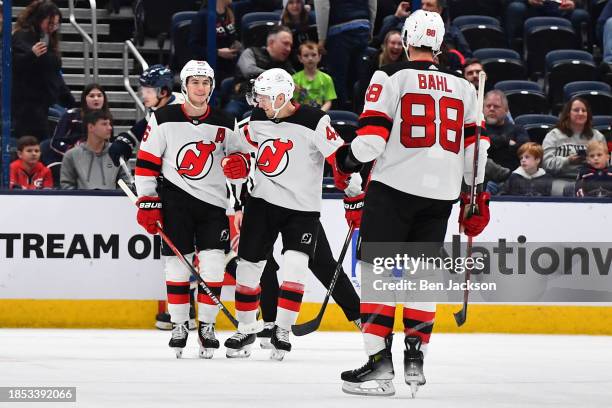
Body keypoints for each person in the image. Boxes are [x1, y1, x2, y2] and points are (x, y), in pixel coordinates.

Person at [334, 10, 490, 397]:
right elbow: (477, 152)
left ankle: (379, 366)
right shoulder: (464, 87)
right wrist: (476, 198)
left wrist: (344, 160)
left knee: (377, 275)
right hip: (441, 194)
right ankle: (416, 355)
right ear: (439, 44)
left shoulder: (390, 75)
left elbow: (370, 141)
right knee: (421, 276)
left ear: (406, 38)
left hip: (394, 190)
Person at [221, 68, 347, 360]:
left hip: (302, 209)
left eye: (264, 97)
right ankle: (246, 327)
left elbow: (340, 156)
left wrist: (352, 186)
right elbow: (238, 148)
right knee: (248, 268)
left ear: (281, 96)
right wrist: (237, 162)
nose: (259, 102)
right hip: (262, 204)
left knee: (295, 267)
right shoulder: (257, 119)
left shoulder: (316, 121)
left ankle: (283, 330)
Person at [134, 60, 238, 359]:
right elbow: (146, 164)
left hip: (213, 205)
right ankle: (180, 324)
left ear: (212, 86)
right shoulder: (163, 117)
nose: (200, 88)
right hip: (175, 203)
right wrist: (148, 201)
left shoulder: (224, 120)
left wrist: (240, 164)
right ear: (185, 85)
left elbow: (242, 157)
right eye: (195, 82)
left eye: (205, 83)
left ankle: (206, 325)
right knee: (177, 267)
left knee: (214, 266)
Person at [12, 0, 74, 140]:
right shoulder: (22, 36)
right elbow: (15, 65)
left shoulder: (49, 40)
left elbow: (54, 75)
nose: (53, 28)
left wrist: (69, 100)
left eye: (56, 24)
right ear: (39, 19)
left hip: (42, 103)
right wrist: (31, 55)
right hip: (26, 105)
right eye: (50, 23)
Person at [108, 65, 184, 167]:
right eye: (143, 90)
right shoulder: (161, 105)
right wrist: (125, 141)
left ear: (163, 92)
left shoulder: (180, 113)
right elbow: (143, 127)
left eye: (149, 91)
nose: (144, 95)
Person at [41, 83, 111, 186]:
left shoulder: (108, 119)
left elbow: (107, 145)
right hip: (65, 159)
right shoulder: (71, 115)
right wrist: (74, 153)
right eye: (92, 96)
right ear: (84, 99)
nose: (96, 99)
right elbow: (56, 142)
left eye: (99, 95)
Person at [314, 0, 377, 109]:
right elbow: (373, 4)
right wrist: (370, 29)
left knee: (338, 82)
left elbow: (323, 8)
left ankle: (341, 116)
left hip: (339, 30)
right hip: (363, 26)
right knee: (359, 79)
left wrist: (321, 38)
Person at [225, 25, 295, 119]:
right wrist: (275, 77)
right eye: (285, 44)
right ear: (271, 42)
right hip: (243, 100)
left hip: (271, 105)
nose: (288, 49)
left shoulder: (286, 64)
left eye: (290, 45)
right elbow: (248, 71)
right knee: (229, 115)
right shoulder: (251, 52)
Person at [60, 110, 128, 190]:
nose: (110, 128)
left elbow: (127, 183)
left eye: (109, 124)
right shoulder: (71, 155)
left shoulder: (119, 152)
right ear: (91, 127)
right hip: (81, 202)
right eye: (104, 124)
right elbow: (66, 186)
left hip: (112, 202)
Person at [542, 97, 606, 180]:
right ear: (568, 113)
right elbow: (546, 164)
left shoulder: (598, 136)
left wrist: (593, 160)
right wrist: (568, 161)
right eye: (576, 110)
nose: (580, 113)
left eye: (584, 110)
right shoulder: (554, 135)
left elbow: (607, 162)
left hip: (591, 180)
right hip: (560, 179)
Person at [189, 0, 241, 84]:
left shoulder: (230, 12)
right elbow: (193, 46)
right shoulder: (203, 16)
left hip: (231, 66)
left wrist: (237, 44)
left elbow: (231, 36)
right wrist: (217, 52)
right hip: (212, 68)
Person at [356, 30, 406, 113]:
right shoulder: (373, 61)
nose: (396, 47)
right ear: (385, 45)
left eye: (399, 44)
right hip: (375, 102)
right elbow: (364, 88)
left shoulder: (405, 64)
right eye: (393, 43)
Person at [505, 0, 590, 47]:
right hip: (531, 7)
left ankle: (576, 56)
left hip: (563, 8)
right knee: (516, 7)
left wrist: (574, 2)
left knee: (580, 15)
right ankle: (515, 51)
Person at [484, 90, 529, 171]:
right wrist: (507, 142)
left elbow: (525, 150)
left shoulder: (518, 129)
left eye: (496, 106)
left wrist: (493, 143)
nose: (491, 109)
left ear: (506, 110)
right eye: (488, 106)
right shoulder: (478, 129)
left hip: (512, 178)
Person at [292, 41, 337, 111]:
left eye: (313, 55)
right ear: (300, 58)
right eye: (306, 55)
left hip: (320, 114)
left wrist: (319, 113)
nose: (310, 58)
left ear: (319, 57)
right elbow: (293, 101)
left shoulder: (327, 79)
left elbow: (328, 102)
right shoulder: (294, 79)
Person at [280, 0, 316, 67]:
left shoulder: (313, 19)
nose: (295, 6)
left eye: (298, 2)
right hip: (294, 62)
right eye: (291, 3)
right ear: (286, 6)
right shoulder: (282, 25)